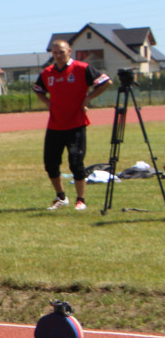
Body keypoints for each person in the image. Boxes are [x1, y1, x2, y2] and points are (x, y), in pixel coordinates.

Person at [33, 40, 111, 211]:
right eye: (55, 52)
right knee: (50, 163)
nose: (58, 55)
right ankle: (61, 196)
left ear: (69, 51)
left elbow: (106, 82)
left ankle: (81, 199)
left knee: (76, 161)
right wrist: (48, 103)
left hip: (76, 124)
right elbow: (38, 89)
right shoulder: (47, 72)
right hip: (55, 125)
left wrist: (88, 98)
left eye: (61, 52)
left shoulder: (82, 68)